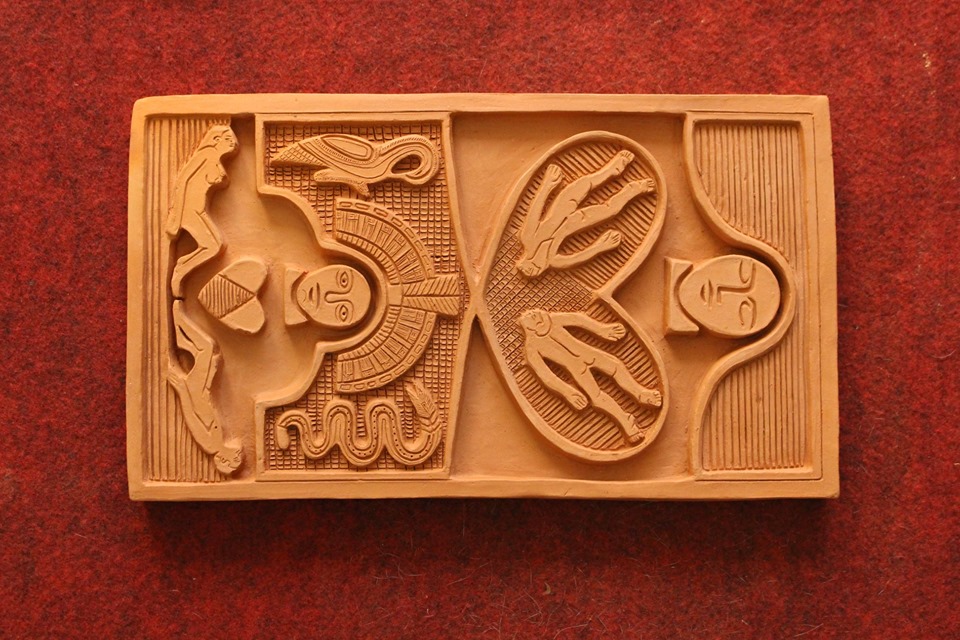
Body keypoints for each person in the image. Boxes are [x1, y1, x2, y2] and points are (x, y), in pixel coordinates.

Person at [519, 309, 661, 443]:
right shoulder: (532, 347)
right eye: (536, 323)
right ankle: (626, 423)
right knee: (596, 397)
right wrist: (568, 392)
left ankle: (641, 394)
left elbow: (579, 319)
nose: (541, 323)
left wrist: (603, 330)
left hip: (590, 355)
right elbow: (546, 375)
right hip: (577, 370)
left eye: (541, 319)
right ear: (530, 329)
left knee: (616, 367)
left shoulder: (555, 319)